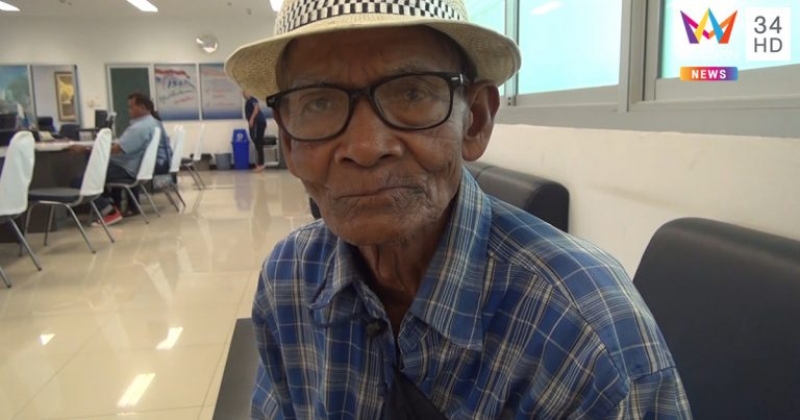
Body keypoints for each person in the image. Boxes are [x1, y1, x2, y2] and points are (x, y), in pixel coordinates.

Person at [225, 0, 692, 418]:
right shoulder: (289, 278)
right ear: (288, 142)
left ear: (476, 120)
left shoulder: (585, 335)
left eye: (410, 93)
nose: (365, 147)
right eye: (319, 103)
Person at [70, 93, 171, 224]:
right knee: (97, 171)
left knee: (81, 180)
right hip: (135, 167)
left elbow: (115, 150)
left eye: (131, 107)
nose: (129, 110)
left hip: (127, 168)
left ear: (142, 107)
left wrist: (84, 149)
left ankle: (109, 211)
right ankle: (112, 204)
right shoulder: (154, 123)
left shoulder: (139, 128)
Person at [243, 91, 267, 172]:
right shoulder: (248, 101)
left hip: (258, 123)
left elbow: (256, 108)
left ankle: (261, 164)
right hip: (256, 124)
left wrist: (252, 119)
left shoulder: (253, 99)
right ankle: (259, 163)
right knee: (256, 142)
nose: (243, 95)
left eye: (245, 92)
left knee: (258, 142)